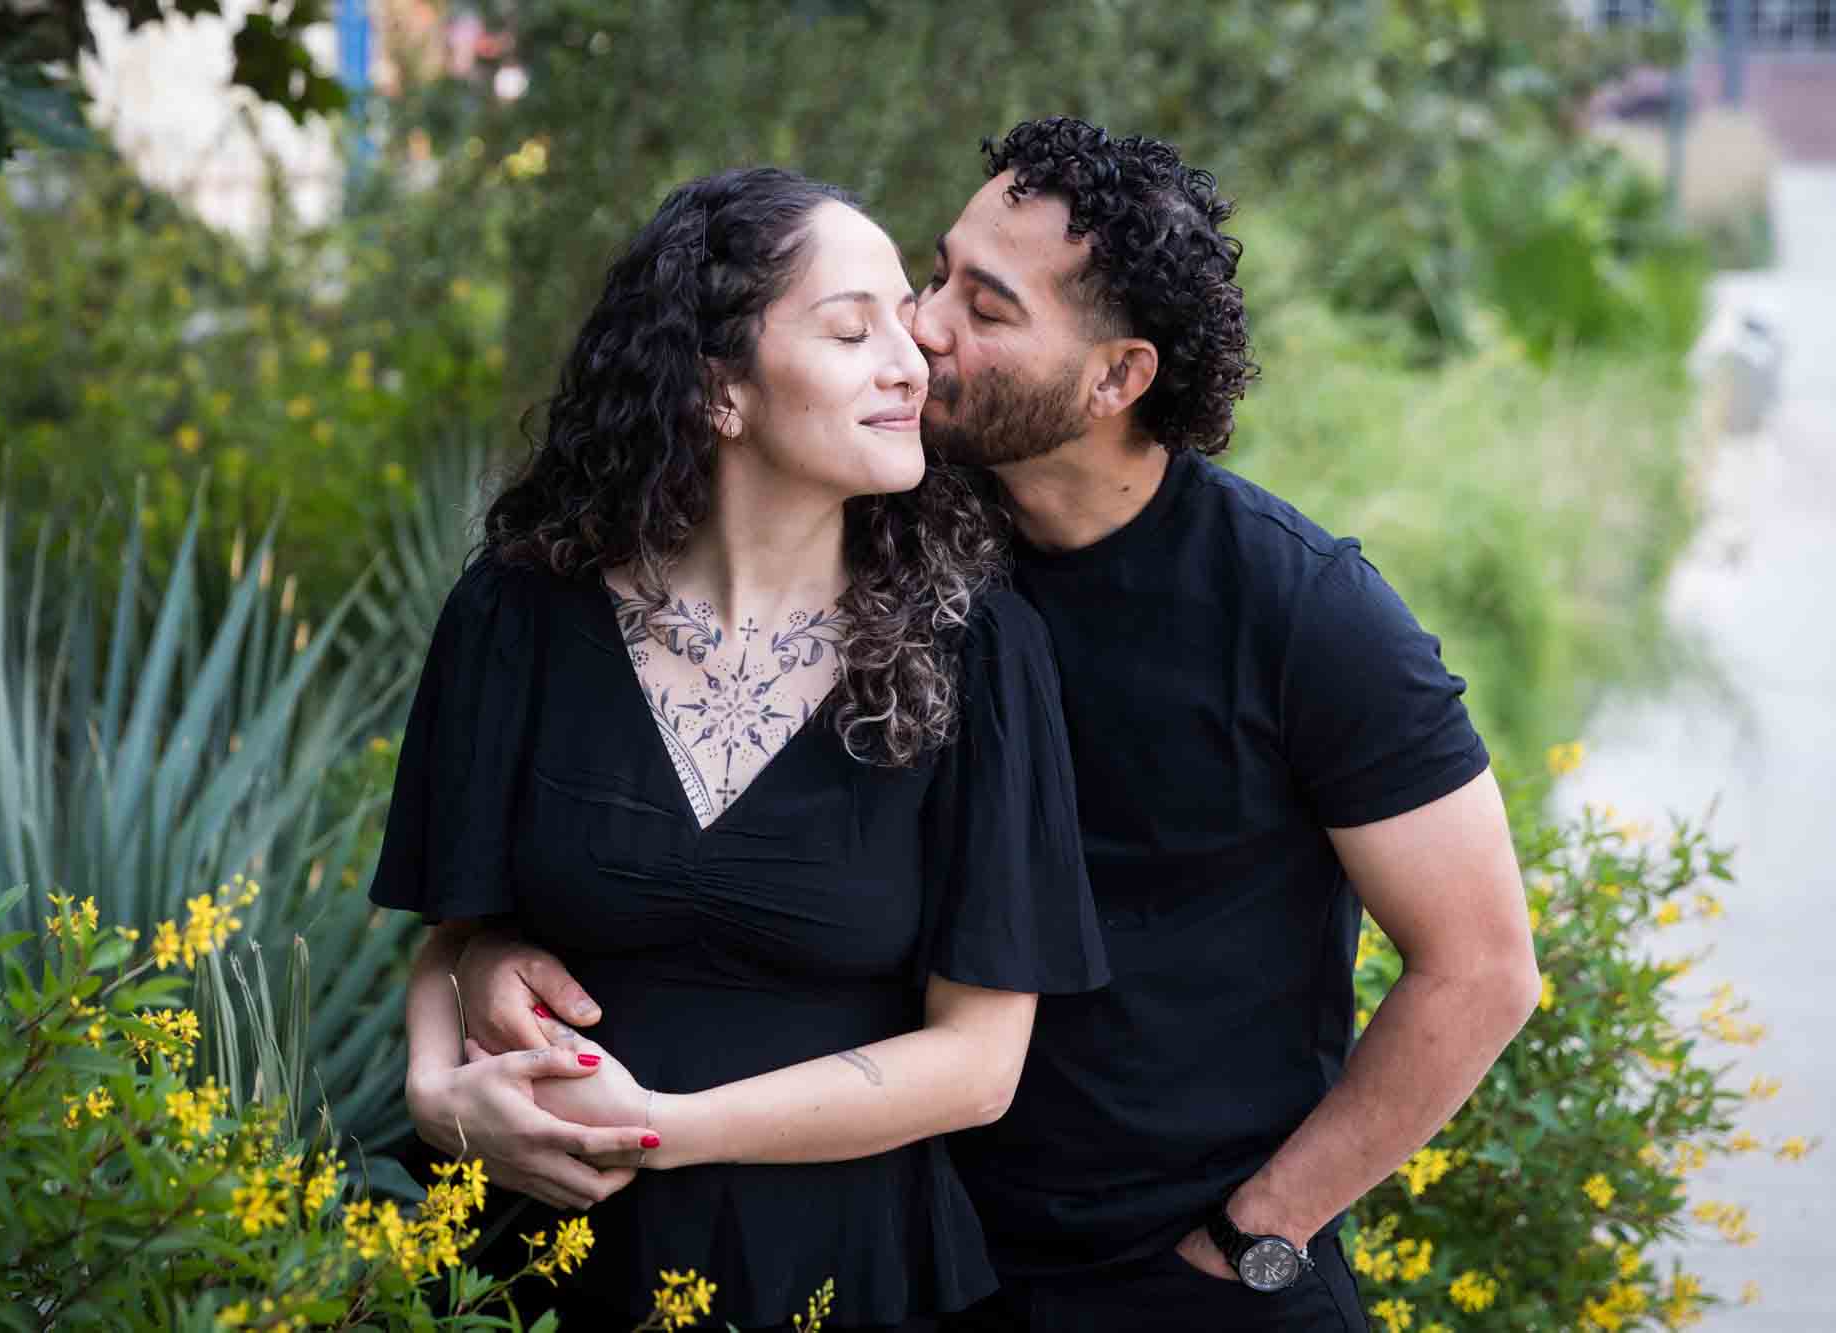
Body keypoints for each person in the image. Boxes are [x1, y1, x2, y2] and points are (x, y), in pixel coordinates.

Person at [457, 120, 1540, 1333]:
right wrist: (487, 953)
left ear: (1116, 377)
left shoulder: (1299, 609)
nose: (921, 326)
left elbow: (1482, 967)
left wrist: (1261, 1231)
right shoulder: (886, 524)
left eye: (984, 305)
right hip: (922, 1248)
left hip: (1180, 1271)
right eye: (935, 273)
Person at [368, 166, 1107, 1332]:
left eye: (901, 324)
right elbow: (457, 930)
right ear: (719, 390)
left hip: (833, 1270)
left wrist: (657, 1128)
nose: (909, 361)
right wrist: (437, 1094)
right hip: (524, 1262)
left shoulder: (977, 651)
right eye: (849, 329)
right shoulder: (518, 613)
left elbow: (978, 1063)